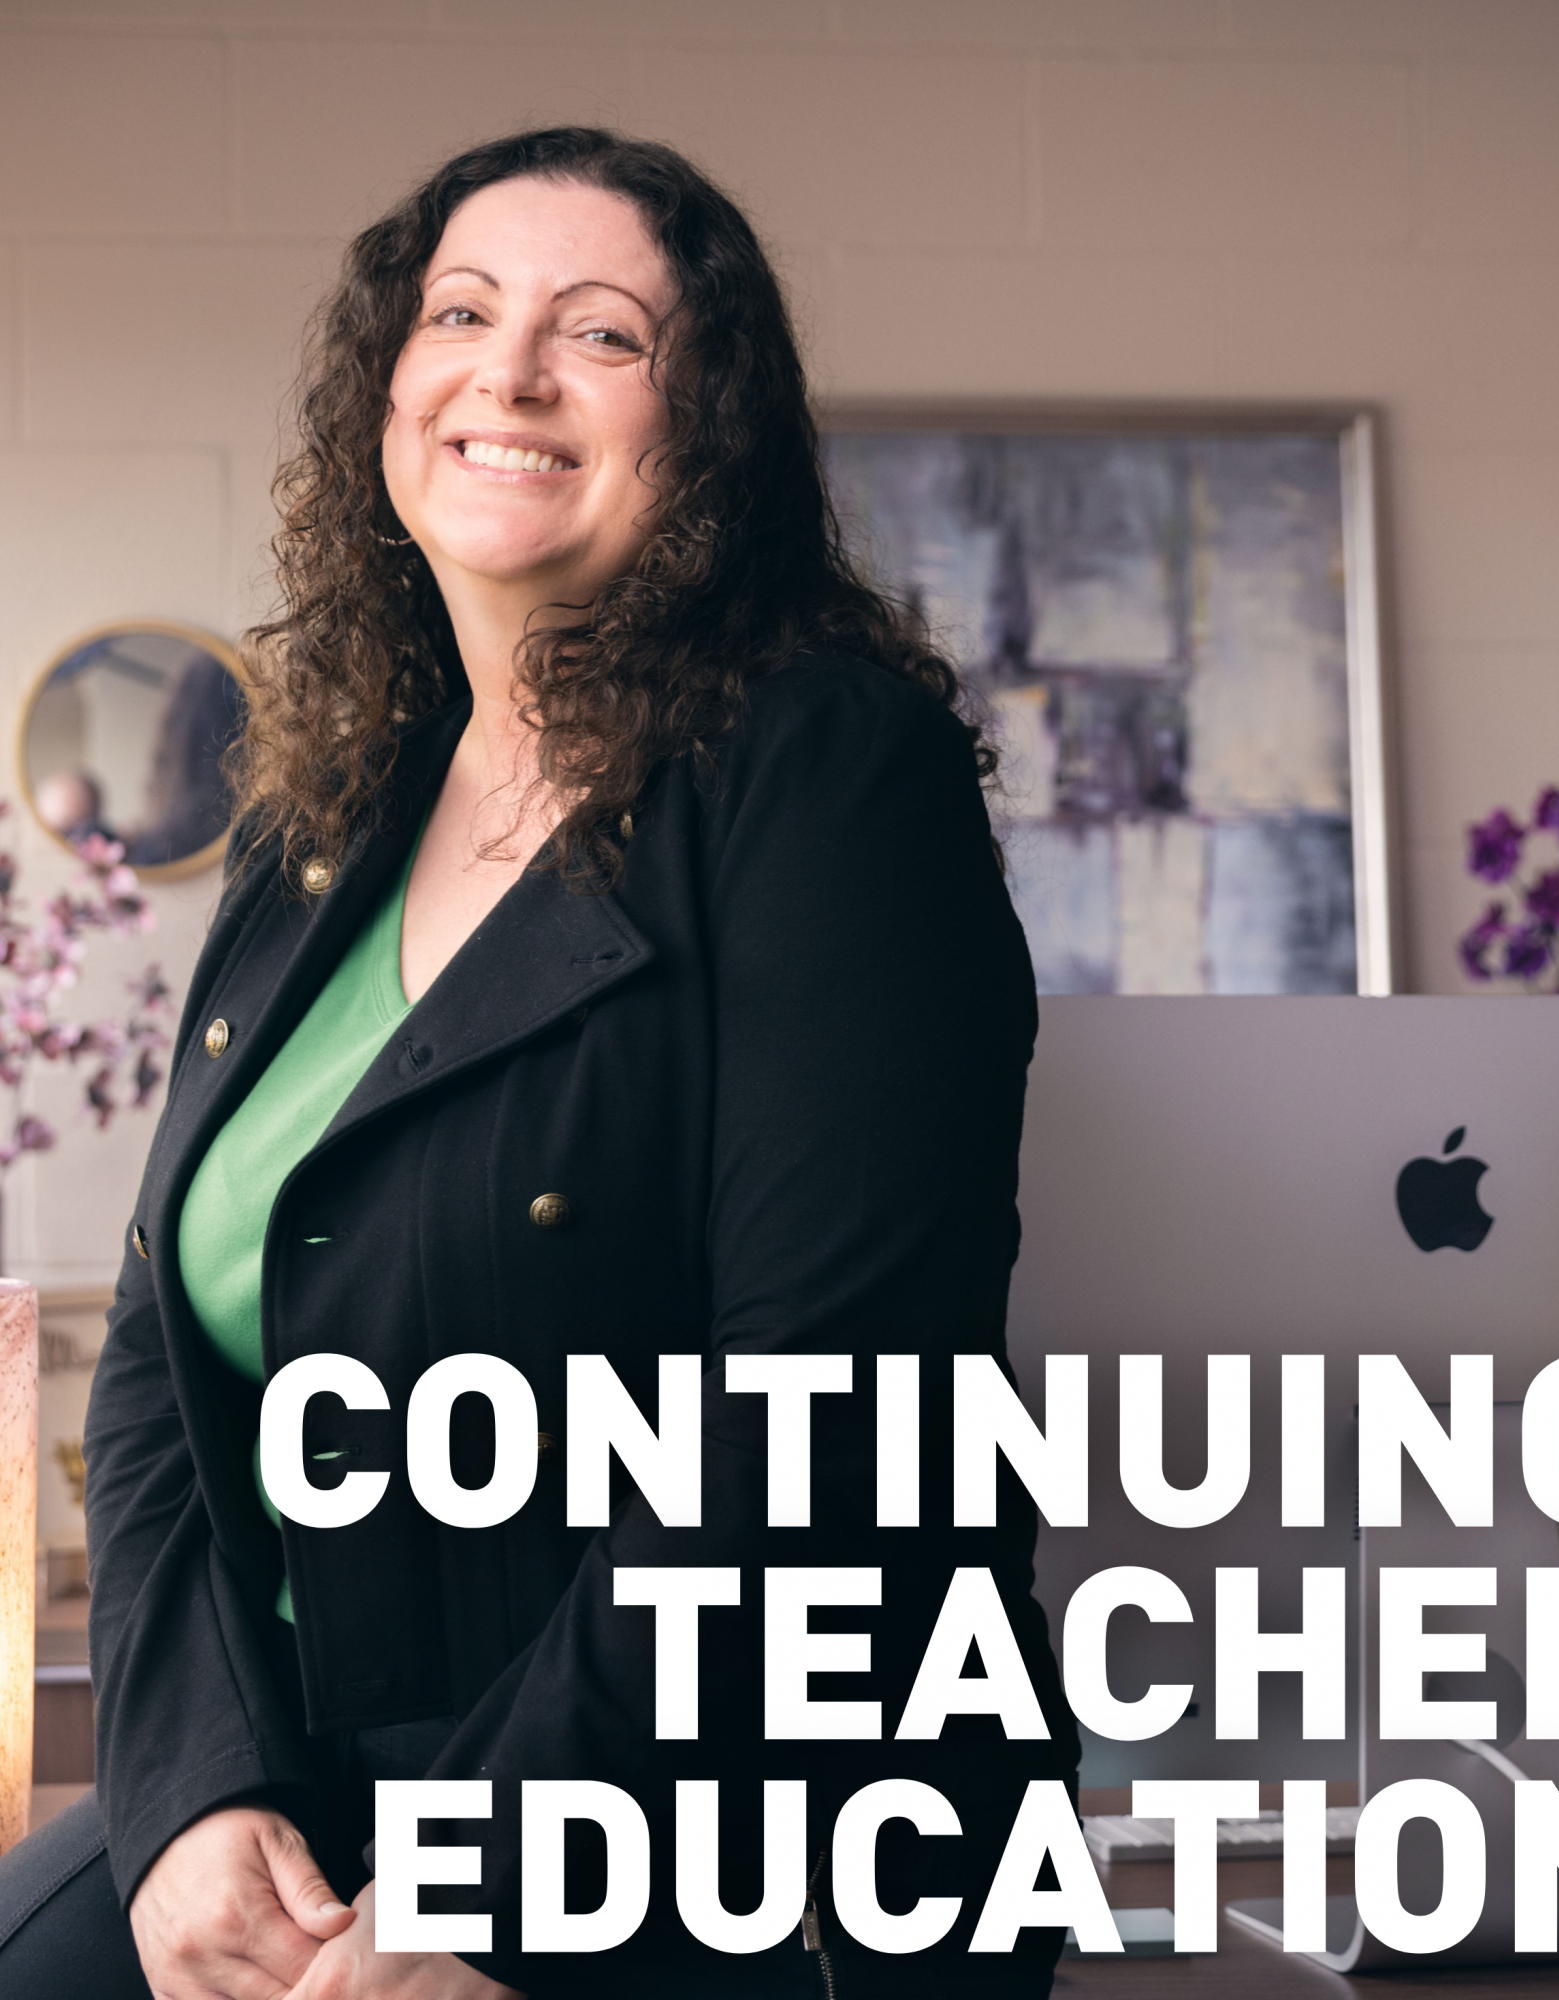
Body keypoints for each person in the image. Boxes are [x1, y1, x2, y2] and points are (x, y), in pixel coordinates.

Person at [0, 128, 1078, 1997]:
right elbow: (170, 1369)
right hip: (315, 1779)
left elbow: (828, 1412)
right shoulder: (320, 811)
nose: (508, 372)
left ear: (709, 432)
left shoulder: (827, 774)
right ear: (389, 388)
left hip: (729, 1812)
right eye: (462, 314)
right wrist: (187, 1798)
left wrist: (505, 1873)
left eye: (602, 337)